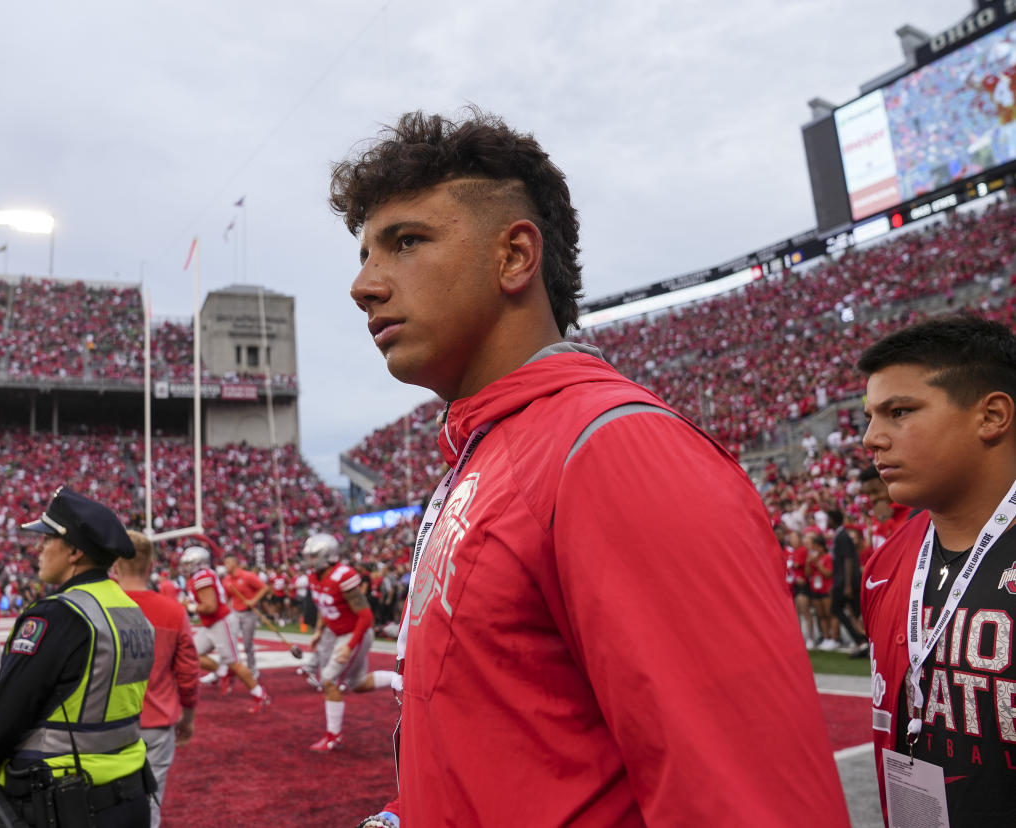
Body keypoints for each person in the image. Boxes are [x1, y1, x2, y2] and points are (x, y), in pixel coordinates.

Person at [331, 108, 848, 827]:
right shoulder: (492, 451)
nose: (364, 284)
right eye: (362, 255)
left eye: (406, 241)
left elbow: (747, 804)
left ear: (514, 257)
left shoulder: (613, 449)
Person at [859, 316, 1016, 826]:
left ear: (991, 415)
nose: (870, 439)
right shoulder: (885, 563)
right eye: (869, 416)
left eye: (898, 412)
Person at [0, 486, 156, 828]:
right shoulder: (132, 611)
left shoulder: (58, 615)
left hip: (68, 799)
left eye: (47, 539)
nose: (39, 549)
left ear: (74, 552)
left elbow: (9, 707)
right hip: (130, 790)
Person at [114, 531, 199, 828]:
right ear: (151, 566)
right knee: (150, 802)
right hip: (156, 721)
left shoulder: (97, 607)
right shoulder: (173, 612)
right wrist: (188, 716)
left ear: (115, 565)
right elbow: (188, 674)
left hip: (105, 724)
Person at [301, 533, 396, 752]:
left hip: (356, 632)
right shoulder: (315, 576)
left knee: (328, 680)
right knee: (357, 683)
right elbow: (326, 607)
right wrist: (318, 631)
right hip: (340, 633)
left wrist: (349, 645)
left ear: (326, 555)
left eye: (313, 556)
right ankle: (402, 680)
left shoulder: (343, 576)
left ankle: (333, 736)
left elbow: (366, 616)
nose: (309, 561)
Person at [180, 545, 271, 712]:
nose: (185, 567)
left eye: (188, 564)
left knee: (234, 662)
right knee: (189, 652)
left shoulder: (202, 577)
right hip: (211, 624)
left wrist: (190, 607)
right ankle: (222, 671)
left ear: (198, 563)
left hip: (220, 622)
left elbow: (210, 607)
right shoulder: (199, 576)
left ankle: (259, 693)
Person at [827, 508, 868, 657]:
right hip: (844, 581)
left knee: (837, 608)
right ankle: (864, 641)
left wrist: (847, 585)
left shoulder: (842, 536)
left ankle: (861, 641)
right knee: (856, 612)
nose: (827, 522)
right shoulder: (840, 535)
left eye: (829, 519)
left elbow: (848, 560)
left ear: (833, 520)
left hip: (845, 581)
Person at [220, 554, 269, 677]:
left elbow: (264, 588)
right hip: (235, 613)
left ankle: (252, 669)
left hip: (249, 613)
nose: (226, 566)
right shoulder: (226, 580)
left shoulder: (248, 576)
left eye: (228, 563)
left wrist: (253, 601)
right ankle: (227, 668)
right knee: (229, 641)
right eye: (225, 563)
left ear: (235, 563)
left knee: (248, 643)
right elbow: (227, 597)